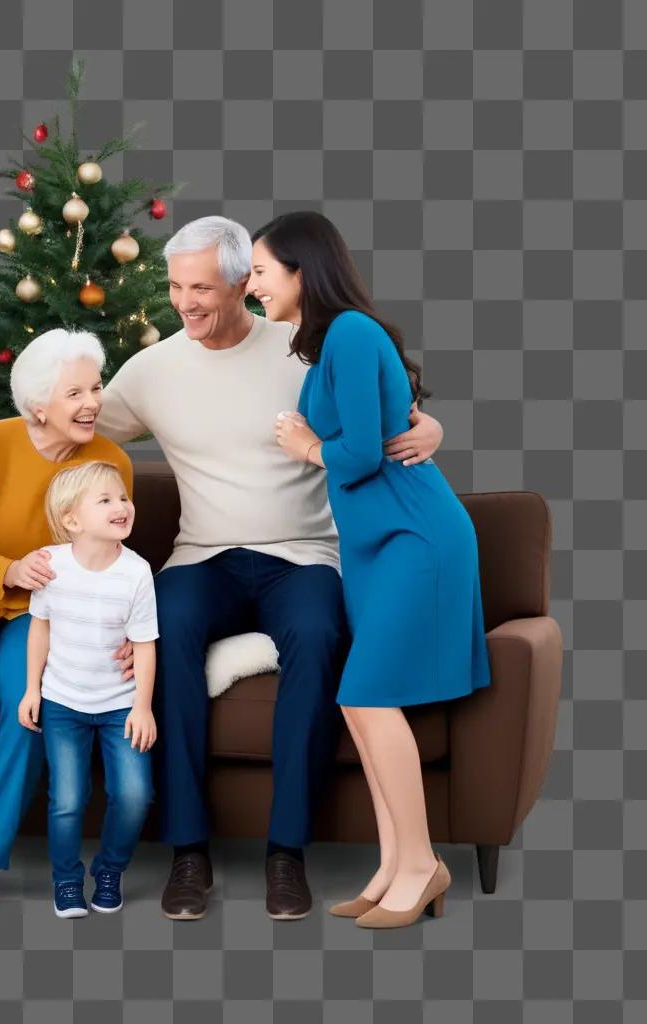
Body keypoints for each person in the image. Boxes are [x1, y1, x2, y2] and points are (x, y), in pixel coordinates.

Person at [95, 216, 447, 920]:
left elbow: (387, 410)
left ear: (243, 283)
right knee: (167, 632)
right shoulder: (153, 369)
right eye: (174, 287)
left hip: (304, 554)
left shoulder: (306, 346)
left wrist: (429, 426)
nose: (185, 302)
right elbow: (70, 423)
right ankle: (188, 853)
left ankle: (287, 854)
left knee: (320, 638)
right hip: (204, 555)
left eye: (201, 286)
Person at [252, 210, 491, 928]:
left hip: (413, 537)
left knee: (366, 693)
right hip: (378, 544)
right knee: (360, 700)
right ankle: (393, 865)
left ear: (302, 270)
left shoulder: (352, 334)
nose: (253, 283)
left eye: (262, 270)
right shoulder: (333, 346)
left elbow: (357, 454)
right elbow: (393, 421)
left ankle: (422, 864)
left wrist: (302, 446)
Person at [0, 330, 134, 916]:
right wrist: (7, 569)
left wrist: (128, 633)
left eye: (96, 387)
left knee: (27, 702)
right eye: (75, 392)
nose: (93, 402)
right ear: (40, 405)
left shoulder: (110, 462)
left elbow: (113, 559)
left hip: (42, 616)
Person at [18, 461, 158, 918]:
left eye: (123, 497)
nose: (121, 506)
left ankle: (111, 870)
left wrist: (143, 707)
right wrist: (31, 690)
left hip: (120, 706)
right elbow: (39, 629)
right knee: (67, 800)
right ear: (72, 520)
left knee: (135, 795)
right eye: (106, 500)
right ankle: (66, 881)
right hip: (63, 703)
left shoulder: (137, 573)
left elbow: (145, 645)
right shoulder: (52, 565)